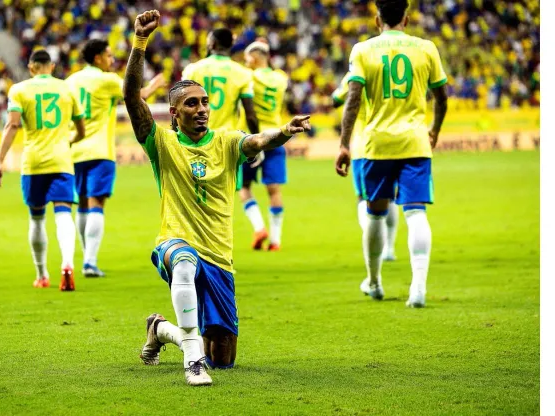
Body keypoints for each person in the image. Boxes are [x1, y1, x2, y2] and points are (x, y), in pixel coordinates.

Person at [123, 10, 311, 386]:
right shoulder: (162, 143)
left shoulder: (225, 141)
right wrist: (139, 44)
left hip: (219, 257)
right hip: (175, 244)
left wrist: (282, 133)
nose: (202, 109)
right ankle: (192, 362)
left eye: (205, 102)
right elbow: (132, 98)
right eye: (192, 104)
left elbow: (255, 141)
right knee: (183, 263)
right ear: (174, 114)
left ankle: (160, 330)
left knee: (223, 357)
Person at [335, 0, 448, 308]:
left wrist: (345, 143)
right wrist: (434, 128)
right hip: (415, 142)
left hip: (376, 144)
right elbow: (441, 96)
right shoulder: (426, 48)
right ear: (406, 19)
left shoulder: (363, 50)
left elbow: (353, 99)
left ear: (377, 19)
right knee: (416, 213)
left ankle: (374, 281)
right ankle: (419, 287)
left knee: (374, 213)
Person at [65, 39, 166, 278]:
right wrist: (153, 86)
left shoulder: (71, 81)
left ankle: (86, 255)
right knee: (96, 204)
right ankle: (90, 261)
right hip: (99, 151)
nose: (112, 60)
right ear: (98, 58)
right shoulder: (107, 80)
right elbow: (134, 96)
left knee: (81, 204)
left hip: (73, 150)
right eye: (109, 56)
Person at [0, 49, 87, 292]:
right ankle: (67, 265)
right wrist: (69, 142)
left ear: (32, 67)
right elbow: (81, 129)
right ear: (51, 66)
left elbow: (12, 125)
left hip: (33, 162)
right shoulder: (67, 88)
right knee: (64, 214)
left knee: (36, 218)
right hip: (61, 161)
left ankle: (42, 274)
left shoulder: (19, 90)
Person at [332, 73, 400, 262]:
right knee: (390, 196)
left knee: (364, 197)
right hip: (392, 142)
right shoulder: (392, 74)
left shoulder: (356, 73)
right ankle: (390, 248)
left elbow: (335, 100)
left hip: (364, 145)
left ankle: (374, 240)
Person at [238, 40, 290, 251]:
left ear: (255, 57)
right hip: (276, 136)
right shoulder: (281, 78)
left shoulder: (248, 76)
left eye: (248, 57)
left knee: (244, 187)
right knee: (274, 190)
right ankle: (275, 241)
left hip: (251, 138)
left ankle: (259, 228)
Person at [181, 28, 259, 135]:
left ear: (212, 44)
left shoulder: (192, 70)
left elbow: (180, 107)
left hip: (198, 138)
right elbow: (250, 116)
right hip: (227, 139)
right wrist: (257, 140)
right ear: (231, 45)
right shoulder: (243, 73)